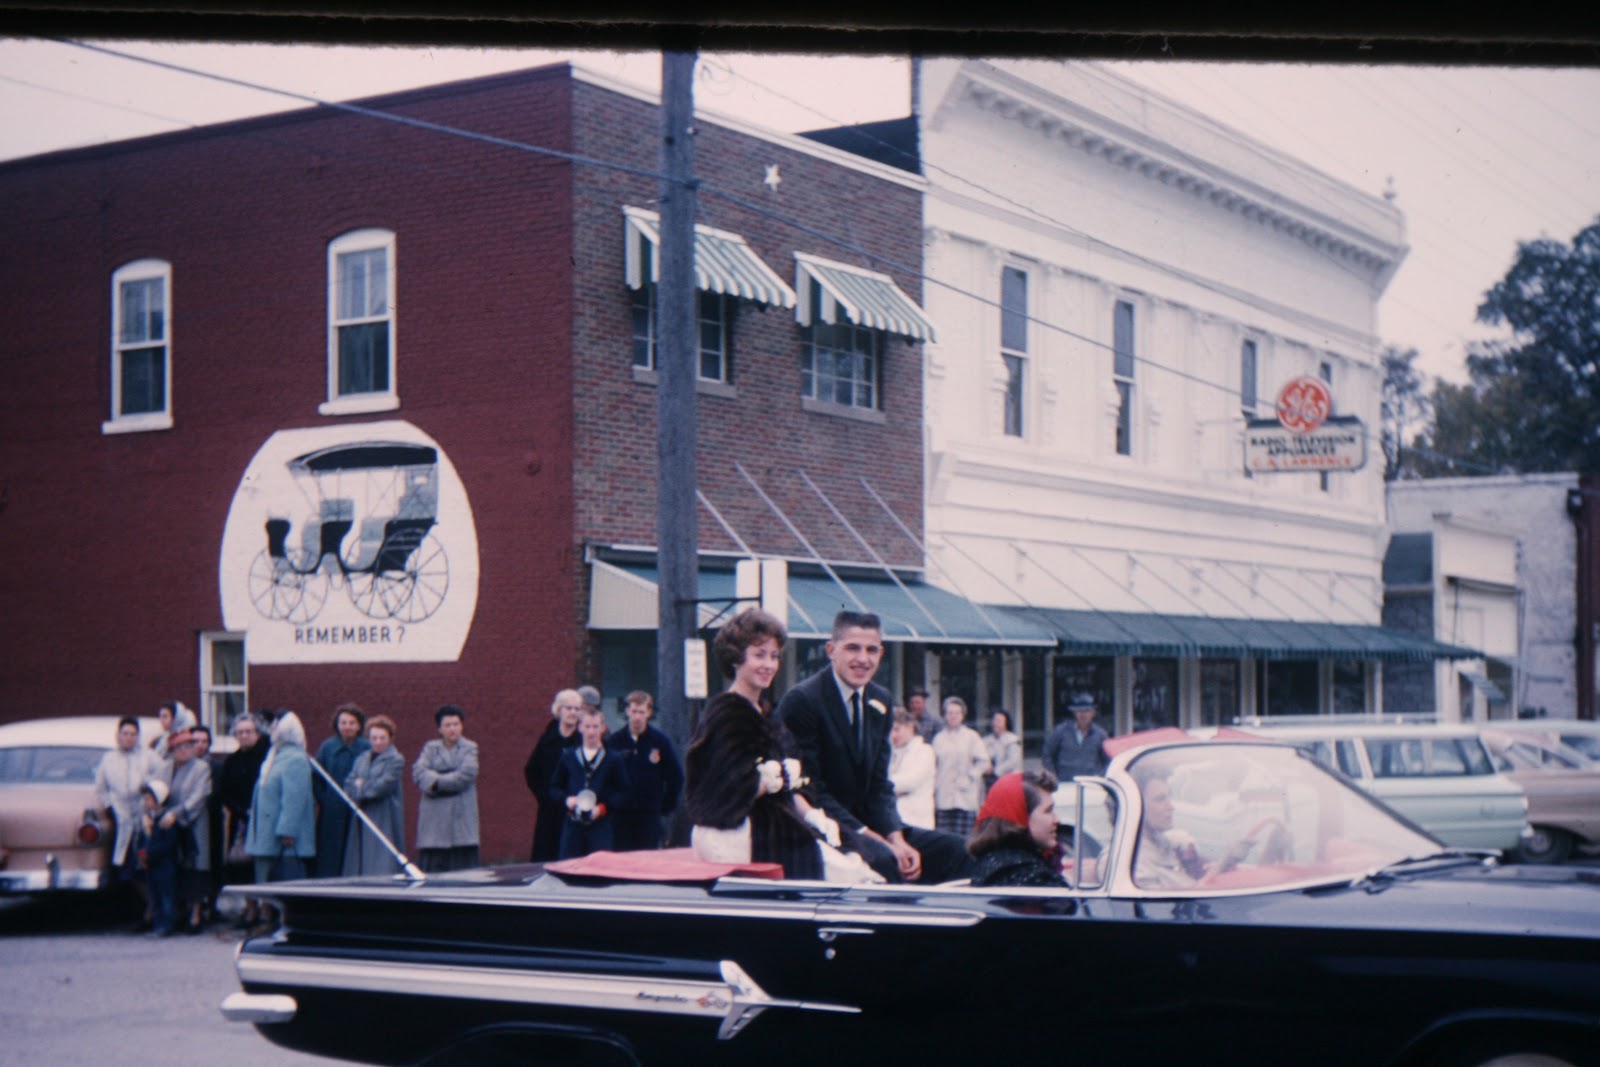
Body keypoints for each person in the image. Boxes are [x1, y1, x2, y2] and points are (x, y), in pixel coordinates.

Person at [776, 610, 974, 884]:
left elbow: (879, 785)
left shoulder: (880, 700)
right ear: (831, 650)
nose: (863, 659)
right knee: (886, 860)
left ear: (881, 653)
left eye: (872, 650)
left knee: (959, 850)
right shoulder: (803, 701)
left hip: (875, 828)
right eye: (852, 648)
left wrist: (896, 837)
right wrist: (877, 840)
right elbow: (813, 792)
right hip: (825, 829)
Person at [685, 608, 877, 882]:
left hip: (776, 823)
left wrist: (812, 815)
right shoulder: (725, 713)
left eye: (774, 656)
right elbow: (717, 795)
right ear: (737, 659)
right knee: (844, 874)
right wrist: (764, 782)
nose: (769, 665)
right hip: (737, 833)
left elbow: (792, 783)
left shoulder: (766, 714)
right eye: (759, 655)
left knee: (856, 862)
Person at [1131, 769, 1256, 890]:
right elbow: (1166, 906)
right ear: (1137, 806)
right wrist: (1225, 862)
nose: (1171, 807)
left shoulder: (1165, 842)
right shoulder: (1134, 864)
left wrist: (1229, 860)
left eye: (1169, 798)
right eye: (1160, 799)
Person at [607, 691, 684, 851]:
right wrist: (612, 803)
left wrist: (664, 806)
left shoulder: (659, 741)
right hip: (621, 816)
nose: (637, 717)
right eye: (634, 711)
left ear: (649, 713)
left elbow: (675, 777)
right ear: (627, 711)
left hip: (649, 815)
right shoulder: (614, 742)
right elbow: (606, 778)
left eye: (641, 712)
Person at [246, 711, 316, 885]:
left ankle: (276, 912)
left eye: (275, 725)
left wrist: (288, 830)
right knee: (263, 881)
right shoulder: (275, 755)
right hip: (267, 834)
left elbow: (294, 798)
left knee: (280, 883)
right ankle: (265, 911)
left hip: (282, 841)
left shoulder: (295, 758)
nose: (271, 729)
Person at [968, 770, 1068, 889]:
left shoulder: (995, 863)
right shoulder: (1026, 875)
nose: (1057, 820)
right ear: (1021, 816)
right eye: (1048, 811)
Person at [552, 706, 628, 859]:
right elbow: (554, 787)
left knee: (600, 870)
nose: (591, 732)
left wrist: (602, 808)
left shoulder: (613, 759)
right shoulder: (569, 756)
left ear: (603, 728)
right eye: (587, 726)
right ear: (579, 728)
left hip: (600, 826)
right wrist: (566, 800)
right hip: (573, 826)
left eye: (595, 726)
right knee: (570, 869)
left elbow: (624, 792)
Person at [412, 704, 481, 873]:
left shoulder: (470, 747)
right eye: (447, 725)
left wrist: (435, 781)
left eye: (456, 724)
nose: (452, 729)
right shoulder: (430, 748)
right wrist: (440, 780)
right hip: (433, 825)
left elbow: (465, 775)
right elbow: (419, 773)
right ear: (439, 729)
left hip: (461, 824)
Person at [218, 711, 270, 926]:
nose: (245, 736)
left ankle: (266, 910)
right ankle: (250, 910)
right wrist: (240, 811)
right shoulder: (232, 761)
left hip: (264, 819)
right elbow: (225, 792)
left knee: (263, 867)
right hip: (241, 821)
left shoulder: (267, 757)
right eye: (240, 732)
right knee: (242, 868)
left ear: (257, 733)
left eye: (249, 731)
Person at [164, 712, 212, 931]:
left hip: (194, 824)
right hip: (173, 825)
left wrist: (178, 813)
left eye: (188, 746)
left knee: (196, 868)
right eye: (179, 748)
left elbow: (198, 797)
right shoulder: (169, 768)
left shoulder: (201, 767)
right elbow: (162, 792)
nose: (184, 751)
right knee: (180, 868)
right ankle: (180, 911)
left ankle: (196, 913)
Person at [341, 715, 406, 876]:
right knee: (359, 861)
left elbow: (381, 787)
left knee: (380, 859)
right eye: (374, 738)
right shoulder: (361, 759)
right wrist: (359, 787)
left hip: (384, 816)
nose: (377, 742)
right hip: (362, 816)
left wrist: (361, 786)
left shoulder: (396, 759)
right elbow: (349, 784)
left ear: (390, 738)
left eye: (382, 738)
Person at [525, 689, 584, 862]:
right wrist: (544, 796)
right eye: (569, 708)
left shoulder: (582, 740)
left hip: (576, 809)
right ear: (559, 710)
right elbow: (531, 770)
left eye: (576, 708)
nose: (573, 713)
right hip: (550, 809)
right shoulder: (547, 739)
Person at [313, 703, 371, 877]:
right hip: (332, 809)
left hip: (358, 807)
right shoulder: (328, 747)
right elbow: (316, 776)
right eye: (343, 722)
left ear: (359, 725)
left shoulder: (366, 747)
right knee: (331, 849)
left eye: (352, 723)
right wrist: (324, 798)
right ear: (337, 725)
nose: (347, 727)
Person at [932, 696, 991, 837]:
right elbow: (932, 766)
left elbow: (984, 761)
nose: (953, 716)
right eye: (950, 713)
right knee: (944, 837)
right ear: (945, 715)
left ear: (963, 715)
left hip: (965, 795)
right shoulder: (938, 739)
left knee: (964, 839)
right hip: (944, 796)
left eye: (957, 713)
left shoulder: (972, 736)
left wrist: (972, 774)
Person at [133, 780, 182, 937]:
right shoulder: (148, 819)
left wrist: (151, 852)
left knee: (166, 895)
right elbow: (142, 839)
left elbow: (169, 844)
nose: (145, 802)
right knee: (155, 895)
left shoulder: (166, 819)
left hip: (164, 864)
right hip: (151, 864)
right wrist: (141, 852)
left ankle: (167, 925)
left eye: (149, 799)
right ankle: (157, 923)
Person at [1043, 692, 1109, 782]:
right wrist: (1052, 774)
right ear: (1074, 712)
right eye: (1079, 711)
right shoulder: (1061, 731)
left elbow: (1108, 760)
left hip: (1090, 784)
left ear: (1093, 713)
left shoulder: (1101, 735)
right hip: (1064, 783)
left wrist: (1100, 777)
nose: (1083, 714)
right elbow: (1047, 754)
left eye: (1087, 711)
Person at [887, 709, 935, 830]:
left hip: (917, 821)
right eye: (890, 730)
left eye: (897, 729)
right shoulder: (892, 752)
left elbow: (909, 782)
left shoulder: (924, 751)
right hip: (895, 820)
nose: (893, 735)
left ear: (910, 727)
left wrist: (884, 786)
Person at [983, 708, 1024, 794]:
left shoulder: (1013, 740)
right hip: (990, 781)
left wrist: (994, 771)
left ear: (1006, 723)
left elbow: (1013, 761)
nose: (995, 723)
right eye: (994, 720)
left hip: (1009, 781)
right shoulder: (987, 740)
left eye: (999, 721)